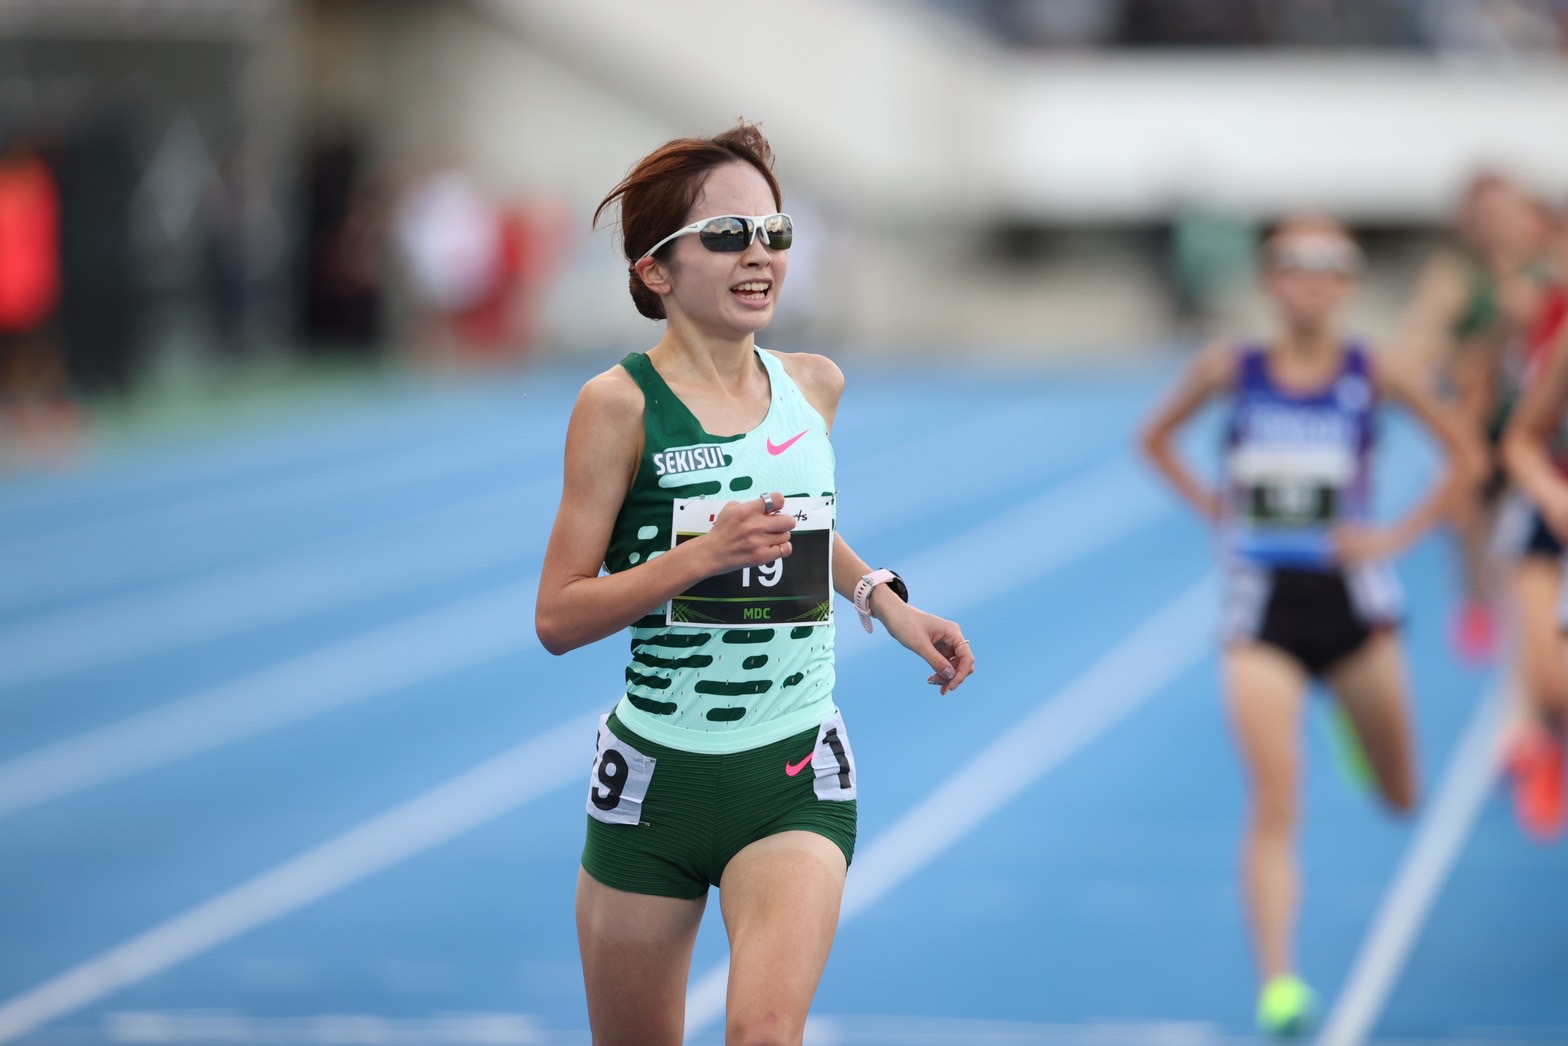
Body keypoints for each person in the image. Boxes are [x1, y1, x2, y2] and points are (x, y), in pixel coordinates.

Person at [534, 123, 976, 1046]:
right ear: (655, 271)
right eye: (728, 236)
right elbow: (558, 616)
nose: (759, 256)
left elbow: (802, 529)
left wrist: (884, 602)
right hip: (655, 778)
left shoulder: (814, 386)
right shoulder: (617, 406)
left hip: (790, 769)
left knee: (765, 1033)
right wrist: (695, 559)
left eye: (773, 233)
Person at [1139, 216, 1480, 1038]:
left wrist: (1394, 534)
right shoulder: (1233, 367)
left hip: (1356, 609)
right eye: (1294, 266)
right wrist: (1215, 508)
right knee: (1275, 801)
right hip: (1261, 609)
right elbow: (1153, 439)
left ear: (1349, 284)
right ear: (1271, 280)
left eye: (1330, 268)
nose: (1311, 281)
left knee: (1404, 798)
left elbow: (1470, 457)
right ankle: (1280, 985)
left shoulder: (1378, 369)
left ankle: (1359, 742)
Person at [1396, 171, 1556, 662]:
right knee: (1466, 509)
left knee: (1529, 550)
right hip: (1478, 425)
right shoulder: (1455, 277)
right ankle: (1478, 601)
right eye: (1484, 217)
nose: (1497, 226)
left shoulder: (1548, 271)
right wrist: (1471, 348)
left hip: (1543, 431)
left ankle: (1527, 635)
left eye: (1507, 215)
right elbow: (1414, 353)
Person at [1498, 213, 1568, 841]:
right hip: (1555, 509)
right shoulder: (1551, 317)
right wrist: (1550, 493)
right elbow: (1521, 435)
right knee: (1550, 681)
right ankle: (1543, 741)